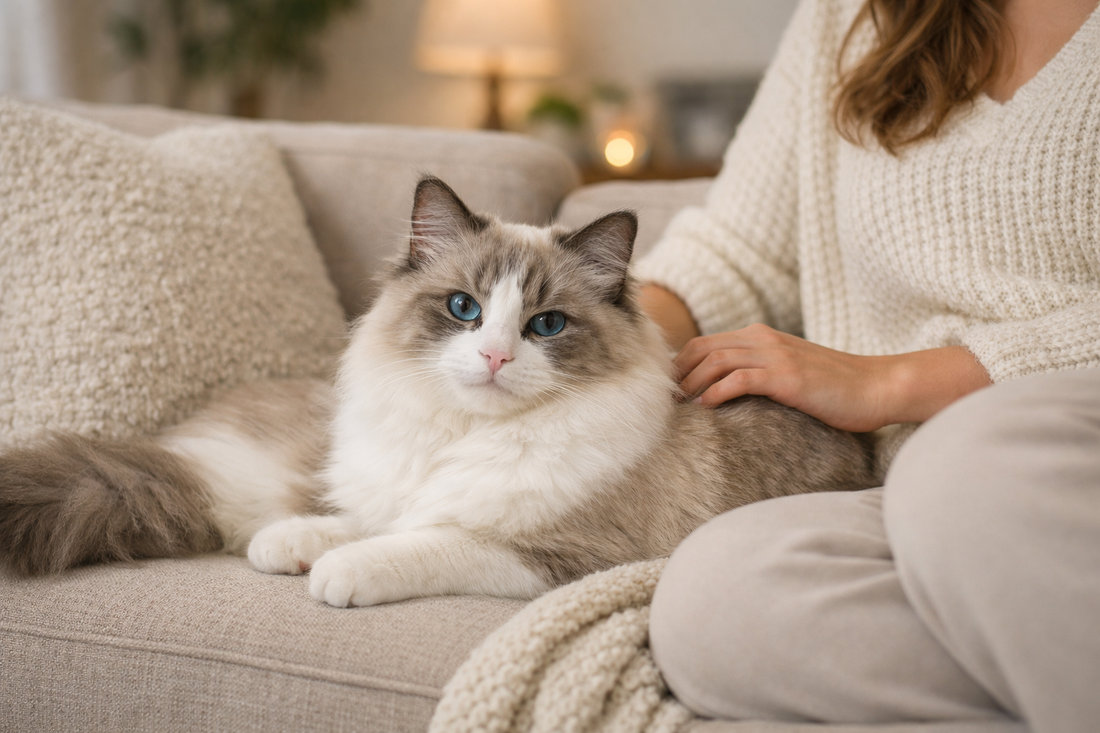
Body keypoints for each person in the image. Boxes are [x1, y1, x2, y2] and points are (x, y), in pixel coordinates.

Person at [635, 0, 1100, 729]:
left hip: (1045, 456)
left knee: (963, 471)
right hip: (903, 491)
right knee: (713, 601)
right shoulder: (851, 14)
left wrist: (891, 382)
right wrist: (592, 333)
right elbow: (737, 251)